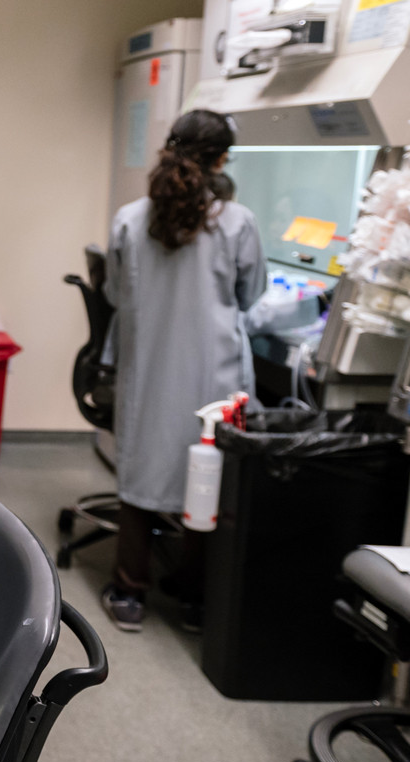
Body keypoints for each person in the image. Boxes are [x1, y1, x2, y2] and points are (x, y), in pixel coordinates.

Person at [100, 109, 266, 633]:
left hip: (148, 368)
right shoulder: (238, 222)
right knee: (208, 474)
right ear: (220, 159)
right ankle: (195, 597)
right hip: (212, 377)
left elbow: (112, 294)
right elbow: (251, 296)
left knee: (141, 464)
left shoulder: (130, 218)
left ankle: (129, 591)